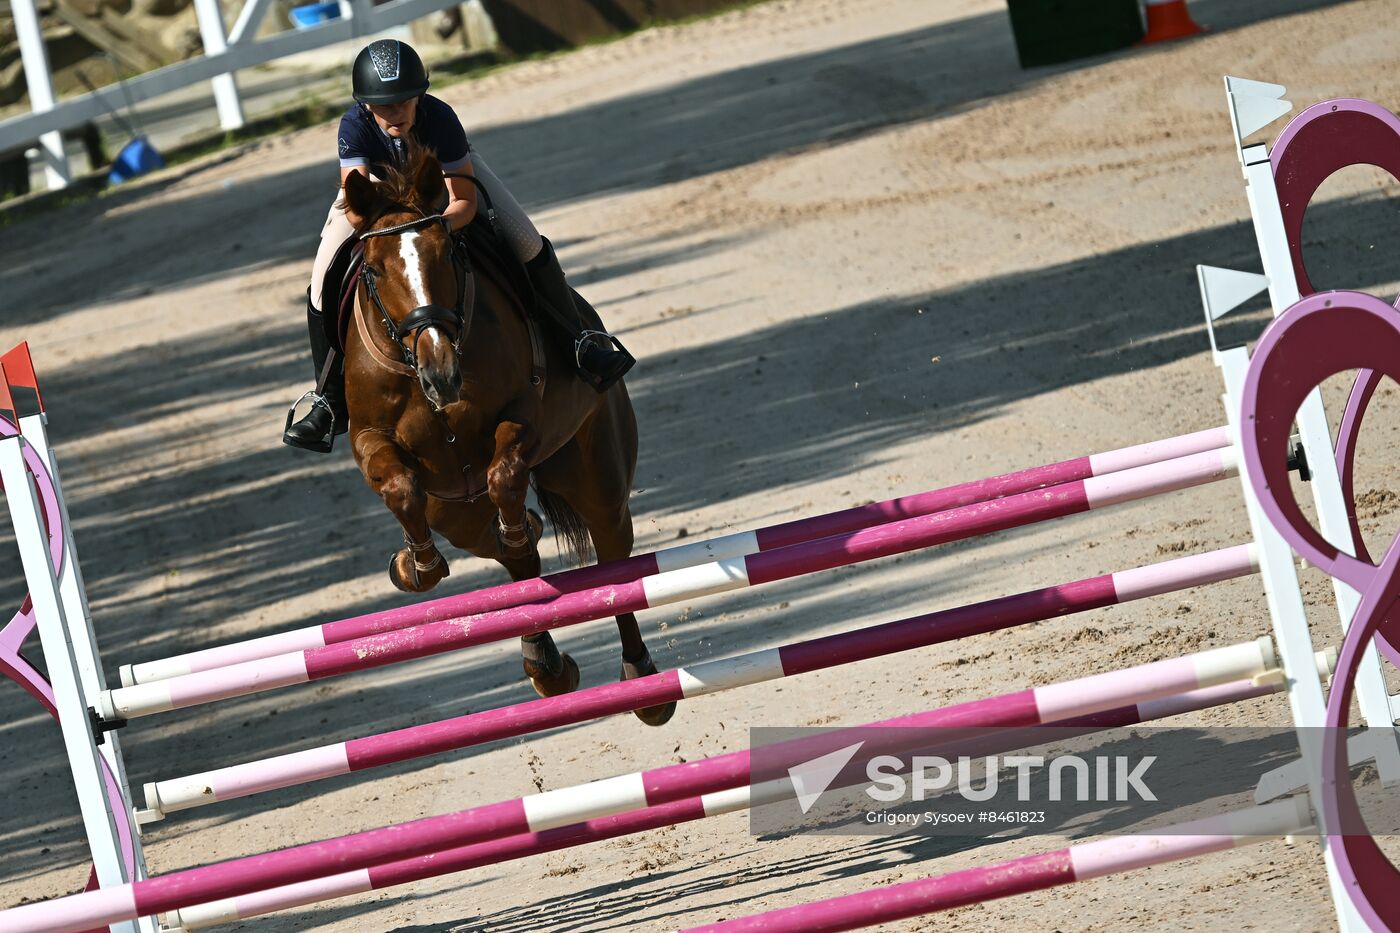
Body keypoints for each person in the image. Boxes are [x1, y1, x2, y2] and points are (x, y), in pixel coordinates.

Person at [283, 38, 634, 452]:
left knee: (524, 239)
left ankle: (578, 342)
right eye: (384, 106)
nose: (396, 113)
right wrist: (398, 229)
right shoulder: (353, 126)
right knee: (322, 278)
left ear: (420, 96)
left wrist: (434, 230)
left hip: (445, 192)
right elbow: (358, 203)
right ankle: (328, 398)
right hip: (378, 199)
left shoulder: (441, 118)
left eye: (404, 101)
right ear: (366, 106)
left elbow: (464, 202)